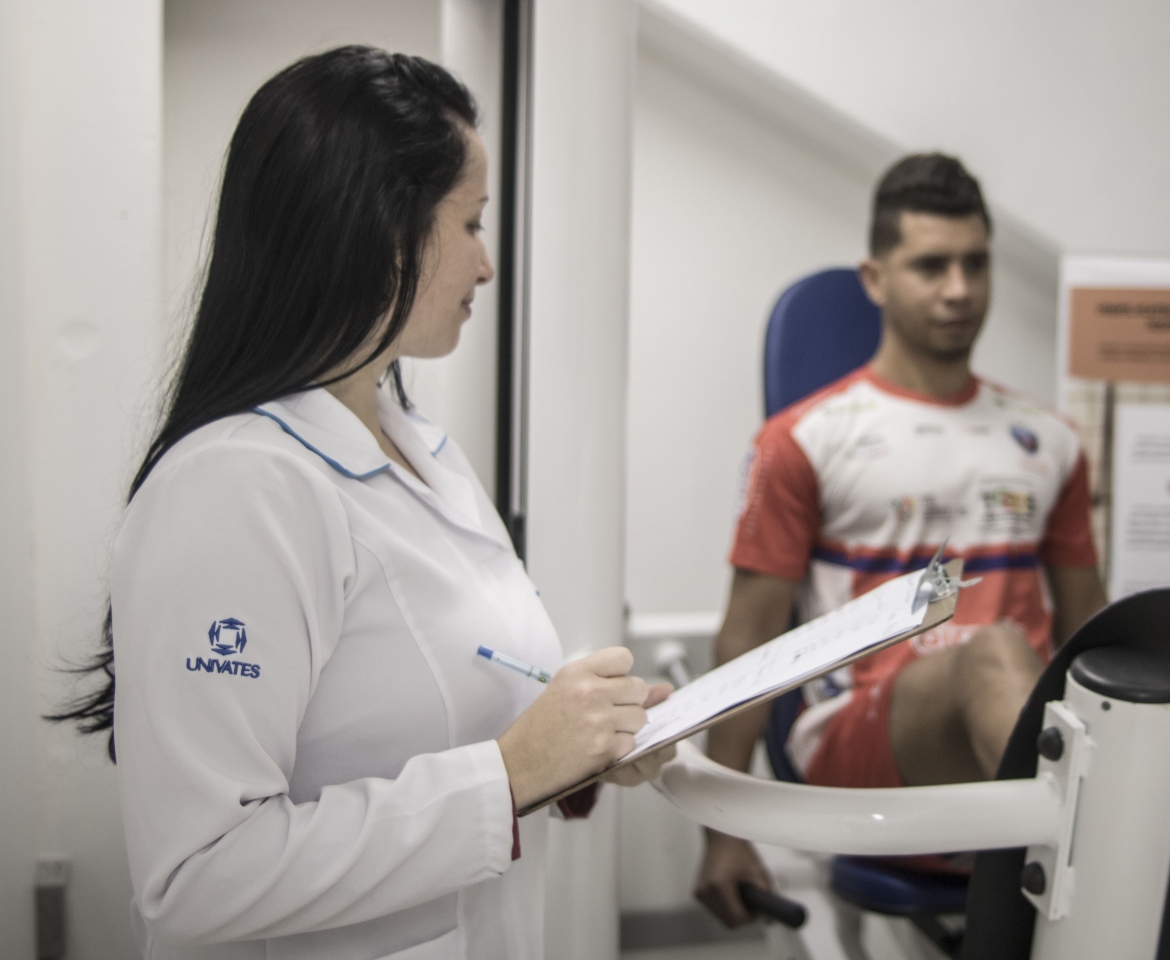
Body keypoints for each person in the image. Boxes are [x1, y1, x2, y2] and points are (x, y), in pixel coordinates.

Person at [49, 46, 671, 959]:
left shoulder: (424, 452)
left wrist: (577, 752)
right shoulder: (234, 488)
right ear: (384, 229)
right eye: (472, 222)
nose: (487, 265)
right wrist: (507, 776)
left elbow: (445, 729)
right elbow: (196, 879)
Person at [694, 154, 1108, 926]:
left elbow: (1089, 622)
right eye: (931, 266)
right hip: (861, 738)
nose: (959, 289)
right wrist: (723, 832)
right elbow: (746, 640)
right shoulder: (804, 439)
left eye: (975, 264)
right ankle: (1109, 885)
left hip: (1017, 735)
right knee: (991, 650)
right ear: (876, 278)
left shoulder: (1051, 439)